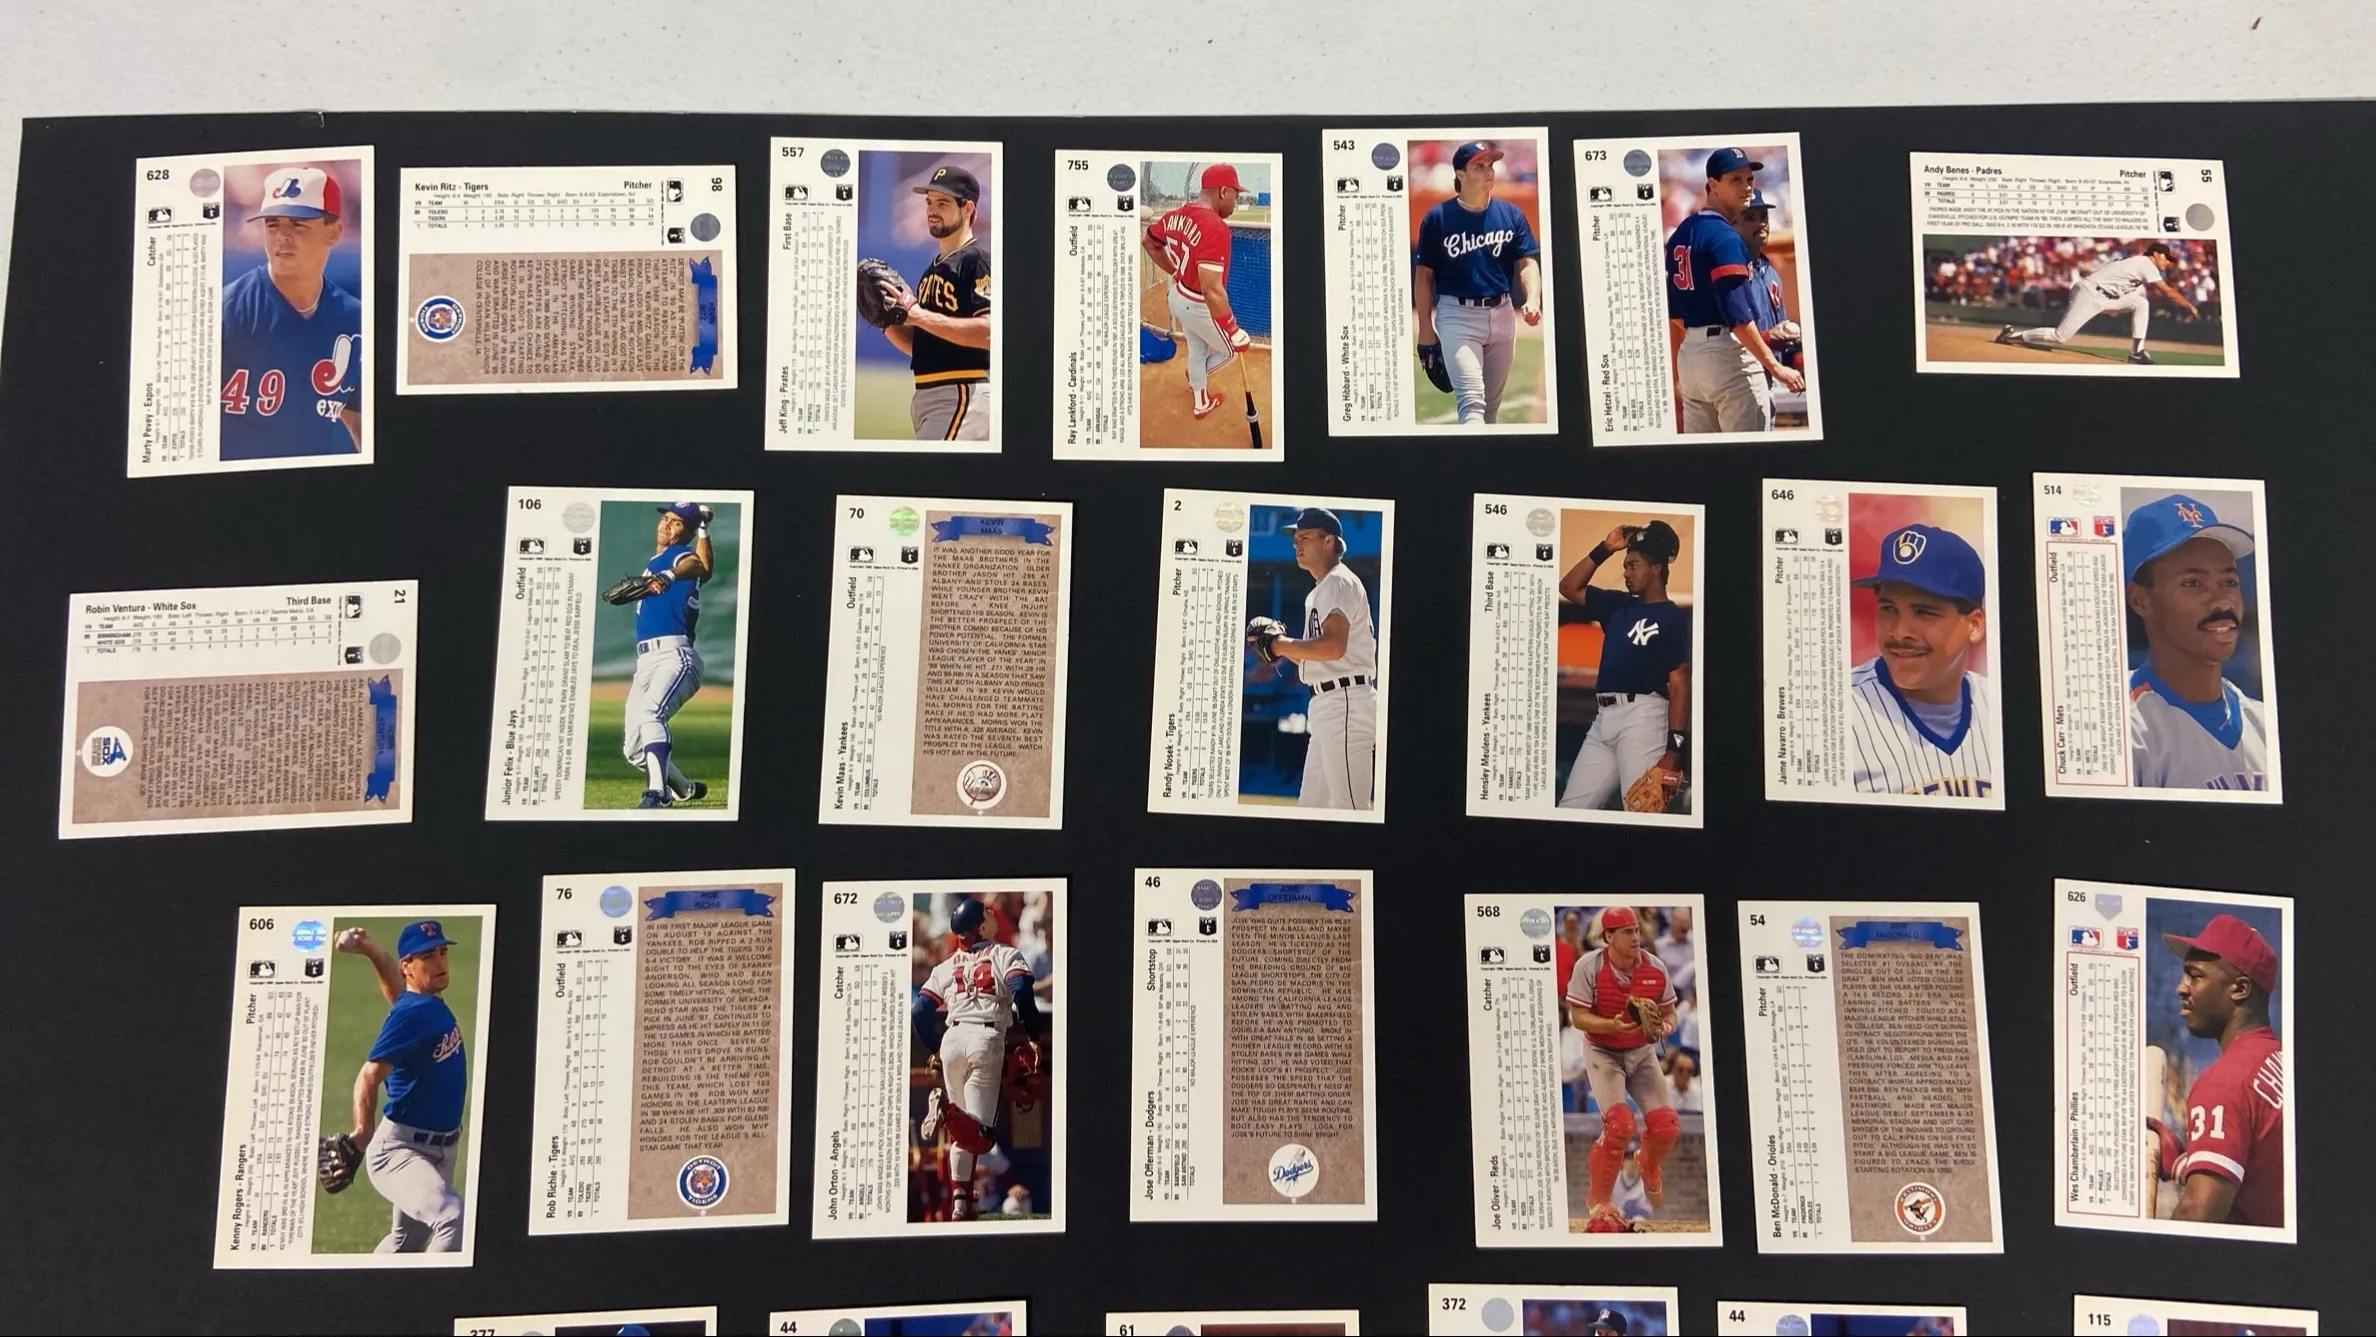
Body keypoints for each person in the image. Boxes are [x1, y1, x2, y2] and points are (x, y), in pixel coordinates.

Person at [2122, 494, 2269, 791]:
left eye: (2229, 582)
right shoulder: (2122, 727)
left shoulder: (2265, 721)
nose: (2223, 601)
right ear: (2140, 600)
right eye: (2193, 583)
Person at [337, 920, 469, 1253]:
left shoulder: (424, 1003)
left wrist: (372, 951)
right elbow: (369, 1076)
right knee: (453, 1218)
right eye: (428, 956)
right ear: (408, 966)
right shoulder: (412, 1014)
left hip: (440, 1148)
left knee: (406, 1243)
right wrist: (362, 1132)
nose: (440, 962)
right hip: (401, 1149)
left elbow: (398, 993)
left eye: (442, 952)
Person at [915, 897, 1047, 1222]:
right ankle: (945, 1110)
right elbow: (1022, 993)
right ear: (981, 925)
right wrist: (1033, 1035)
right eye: (988, 913)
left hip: (952, 1040)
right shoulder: (1004, 953)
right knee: (982, 1136)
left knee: (964, 1133)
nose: (993, 915)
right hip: (984, 1038)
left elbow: (919, 1012)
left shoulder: (945, 966)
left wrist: (933, 1048)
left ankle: (961, 1203)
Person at [2150, 914, 2284, 1228]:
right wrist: (2186, 1163)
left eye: (2195, 976)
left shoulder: (2223, 1083)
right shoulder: (2282, 1062)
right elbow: (2261, 1176)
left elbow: (2199, 1214)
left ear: (2239, 989)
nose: (2181, 988)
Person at [221, 164, 362, 458]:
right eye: (272, 224)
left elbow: (360, 424)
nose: (282, 236)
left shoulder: (355, 320)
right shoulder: (226, 312)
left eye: (298, 224)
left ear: (334, 232)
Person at [1847, 523, 1997, 797]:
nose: (1900, 631)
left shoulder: (2001, 710)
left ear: (1974, 625)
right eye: (1888, 608)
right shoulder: (1835, 713)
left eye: (1924, 612)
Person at [1248, 507, 1380, 809]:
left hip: (1345, 703)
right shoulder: (1323, 588)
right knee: (1311, 809)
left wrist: (1280, 644)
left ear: (1328, 541)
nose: (1297, 544)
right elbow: (1323, 658)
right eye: (1295, 539)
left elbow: (1332, 647)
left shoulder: (1338, 581)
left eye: (1305, 538)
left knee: (1350, 809)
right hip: (1330, 704)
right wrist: (1281, 649)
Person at [1555, 522, 1691, 811]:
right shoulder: (1616, 604)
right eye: (1625, 566)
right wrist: (1605, 548)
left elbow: (1679, 686)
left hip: (1644, 718)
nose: (1626, 573)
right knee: (1571, 810)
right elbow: (1568, 586)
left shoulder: (1675, 619)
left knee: (1642, 814)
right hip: (1603, 719)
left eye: (1633, 566)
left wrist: (1674, 750)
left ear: (1656, 568)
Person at [1665, 147, 1803, 432]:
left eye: (1749, 179)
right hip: (1730, 358)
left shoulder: (1682, 233)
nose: (1746, 187)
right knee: (1751, 453)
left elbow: (1674, 311)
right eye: (1735, 180)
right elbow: (1738, 317)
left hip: (1690, 358)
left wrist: (1701, 339)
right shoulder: (1725, 237)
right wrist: (1776, 367)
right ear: (1712, 185)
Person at [1564, 906, 1682, 1233]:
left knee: (1666, 1127)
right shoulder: (1588, 966)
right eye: (1627, 931)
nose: (1635, 936)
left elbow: (1670, 1013)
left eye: (1637, 930)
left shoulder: (1655, 968)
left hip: (1641, 1052)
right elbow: (1578, 1017)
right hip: (1603, 1050)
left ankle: (1648, 1163)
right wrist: (1611, 1024)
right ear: (1608, 937)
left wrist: (1664, 1028)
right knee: (1620, 1124)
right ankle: (1600, 1200)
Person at [1412, 141, 1542, 425]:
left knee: (1490, 410)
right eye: (1479, 166)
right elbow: (1424, 277)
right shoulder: (1438, 218)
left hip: (1502, 314)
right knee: (1471, 404)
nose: (1488, 171)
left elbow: (1527, 264)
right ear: (1460, 174)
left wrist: (1533, 298)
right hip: (1457, 316)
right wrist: (1425, 329)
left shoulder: (1511, 214)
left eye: (1490, 165)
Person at [879, 165, 993, 439]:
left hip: (960, 392)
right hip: (929, 395)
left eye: (943, 203)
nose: (932, 210)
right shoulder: (933, 269)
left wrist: (917, 315)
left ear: (968, 209)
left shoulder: (976, 260)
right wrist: (886, 321)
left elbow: (989, 333)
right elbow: (923, 348)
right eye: (929, 202)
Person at [619, 502, 714, 808]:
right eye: (666, 518)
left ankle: (657, 794)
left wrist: (670, 575)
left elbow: (697, 566)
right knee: (634, 750)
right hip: (646, 662)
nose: (666, 524)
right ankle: (685, 789)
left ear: (686, 533)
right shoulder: (657, 561)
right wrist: (704, 530)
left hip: (674, 656)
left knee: (651, 714)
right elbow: (705, 570)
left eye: (676, 523)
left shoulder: (678, 557)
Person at [1144, 164, 1252, 421]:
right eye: (1235, 195)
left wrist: (1174, 270)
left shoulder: (1174, 215)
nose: (1235, 202)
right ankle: (1197, 376)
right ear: (1223, 191)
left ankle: (1201, 402)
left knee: (1196, 349)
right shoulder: (1215, 226)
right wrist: (1233, 329)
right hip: (1199, 304)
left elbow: (1149, 242)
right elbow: (1211, 289)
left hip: (1178, 296)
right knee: (1231, 350)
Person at [1996, 242, 2199, 364]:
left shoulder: (2136, 261)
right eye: (2166, 258)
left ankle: (2137, 352)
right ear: (2155, 254)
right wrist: (2189, 305)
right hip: (2091, 293)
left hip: (2105, 296)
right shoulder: (2146, 263)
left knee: (2140, 303)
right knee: (2060, 337)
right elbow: (2168, 292)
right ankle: (2011, 335)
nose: (2168, 262)